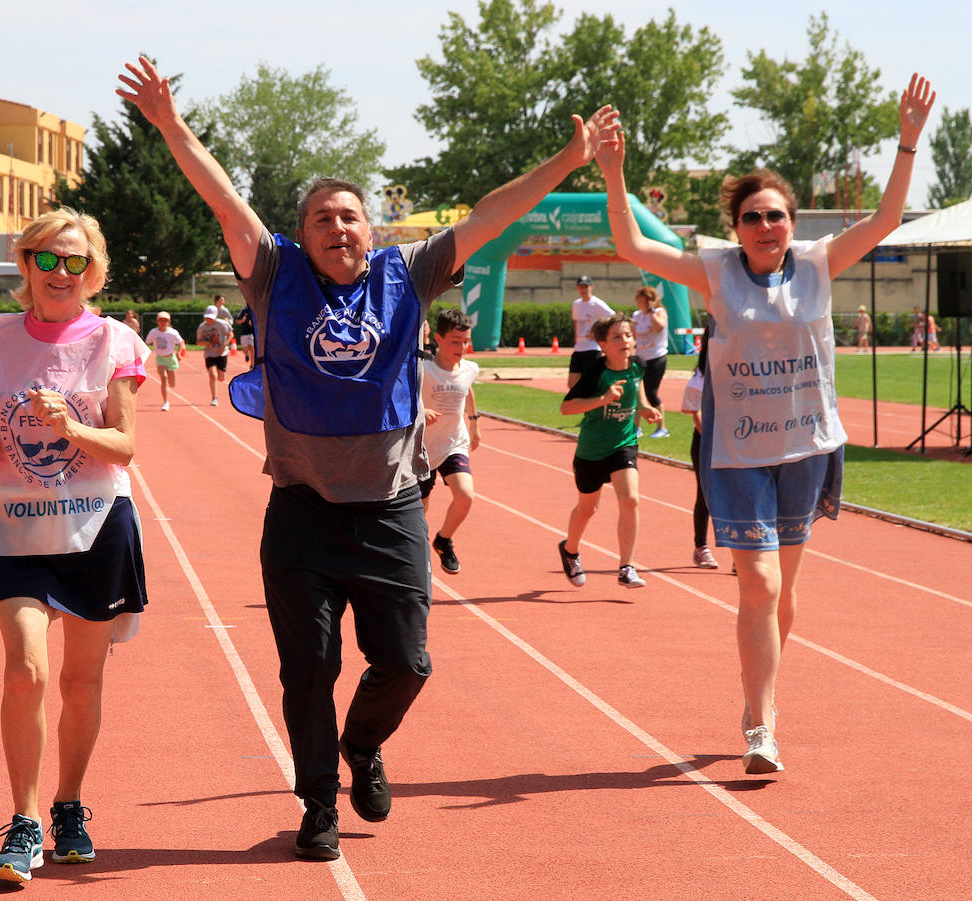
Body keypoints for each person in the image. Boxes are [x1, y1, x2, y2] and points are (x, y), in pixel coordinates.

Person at [118, 54, 619, 860]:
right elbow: (223, 198)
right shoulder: (273, 275)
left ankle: (364, 744)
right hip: (303, 515)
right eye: (324, 218)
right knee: (307, 671)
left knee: (408, 663)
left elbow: (491, 217)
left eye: (351, 216)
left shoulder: (407, 274)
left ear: (372, 230)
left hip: (390, 511)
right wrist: (173, 125)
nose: (340, 227)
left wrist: (567, 162)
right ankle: (318, 804)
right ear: (302, 233)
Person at [594, 73, 935, 774]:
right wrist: (614, 170)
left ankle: (761, 702)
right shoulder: (714, 272)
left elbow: (887, 220)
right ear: (736, 228)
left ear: (793, 221)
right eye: (753, 217)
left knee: (786, 591)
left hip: (806, 448)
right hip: (739, 451)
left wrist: (907, 143)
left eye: (776, 215)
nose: (766, 226)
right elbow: (632, 246)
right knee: (762, 583)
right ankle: (762, 726)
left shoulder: (820, 263)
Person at [0, 207, 150, 884]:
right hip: (14, 528)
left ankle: (70, 805)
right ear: (25, 265)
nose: (62, 273)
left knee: (81, 680)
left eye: (76, 261)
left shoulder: (115, 341)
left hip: (94, 526)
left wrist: (71, 426)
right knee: (24, 670)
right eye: (48, 259)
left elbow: (125, 445)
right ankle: (24, 820)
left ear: (93, 272)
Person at [556, 312, 661, 590]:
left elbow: (637, 391)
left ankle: (626, 567)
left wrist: (646, 408)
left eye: (628, 335)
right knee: (588, 508)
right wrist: (603, 399)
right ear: (603, 344)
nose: (625, 340)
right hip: (591, 450)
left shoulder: (639, 365)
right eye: (617, 337)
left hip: (624, 444)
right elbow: (566, 408)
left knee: (631, 500)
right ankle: (570, 549)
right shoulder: (596, 371)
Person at [420, 308, 481, 575]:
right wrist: (420, 411)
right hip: (420, 449)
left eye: (466, 341)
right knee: (419, 513)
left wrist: (474, 422)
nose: (463, 347)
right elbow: (402, 395)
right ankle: (419, 560)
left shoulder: (471, 368)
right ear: (439, 338)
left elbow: (467, 390)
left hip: (452, 444)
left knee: (465, 496)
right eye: (456, 341)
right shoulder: (424, 368)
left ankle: (444, 539)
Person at [681, 321, 719, 569]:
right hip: (707, 441)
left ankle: (742, 551)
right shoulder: (700, 377)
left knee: (739, 495)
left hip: (734, 440)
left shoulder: (738, 370)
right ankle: (701, 547)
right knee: (705, 495)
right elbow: (696, 417)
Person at [632, 285, 670, 437]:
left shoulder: (660, 313)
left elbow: (659, 327)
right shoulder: (636, 315)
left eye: (643, 301)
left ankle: (662, 428)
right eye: (639, 300)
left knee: (651, 392)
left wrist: (652, 311)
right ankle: (636, 427)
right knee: (637, 392)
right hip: (641, 357)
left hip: (656, 357)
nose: (640, 303)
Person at [568, 274, 613, 389]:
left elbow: (613, 317)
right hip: (579, 347)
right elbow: (576, 320)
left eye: (586, 287)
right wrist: (576, 335)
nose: (583, 290)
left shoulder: (597, 303)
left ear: (591, 287)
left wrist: (598, 333)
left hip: (592, 348)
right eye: (581, 287)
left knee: (591, 382)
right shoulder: (576, 304)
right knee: (572, 383)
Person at [144, 311, 186, 410]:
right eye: (161, 320)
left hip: (171, 358)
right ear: (157, 321)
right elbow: (146, 343)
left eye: (165, 320)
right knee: (164, 379)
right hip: (160, 358)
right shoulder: (153, 332)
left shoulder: (172, 332)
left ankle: (167, 394)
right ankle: (165, 402)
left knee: (172, 384)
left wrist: (179, 353)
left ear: (168, 322)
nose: (163, 322)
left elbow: (181, 342)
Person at [195, 303, 231, 406]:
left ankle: (215, 394)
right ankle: (214, 398)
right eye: (207, 317)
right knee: (212, 375)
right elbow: (198, 342)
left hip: (221, 353)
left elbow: (231, 334)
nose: (208, 320)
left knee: (221, 378)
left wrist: (224, 345)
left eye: (211, 318)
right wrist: (205, 343)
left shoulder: (222, 324)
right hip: (209, 353)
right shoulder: (202, 327)